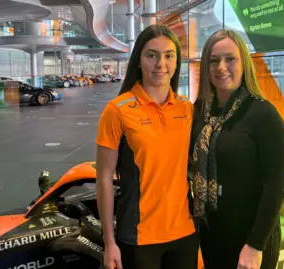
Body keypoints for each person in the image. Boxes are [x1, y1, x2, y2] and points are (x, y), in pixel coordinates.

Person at [95, 24, 198, 269]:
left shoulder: (187, 108)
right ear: (139, 60)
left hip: (185, 232)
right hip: (138, 237)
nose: (161, 64)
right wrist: (109, 242)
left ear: (176, 62)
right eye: (152, 55)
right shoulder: (117, 110)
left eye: (169, 56)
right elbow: (104, 179)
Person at [189, 29, 284, 269]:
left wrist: (255, 246)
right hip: (212, 233)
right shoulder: (200, 111)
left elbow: (277, 186)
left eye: (230, 59)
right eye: (213, 60)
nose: (221, 67)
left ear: (243, 62)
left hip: (251, 239)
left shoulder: (263, 114)